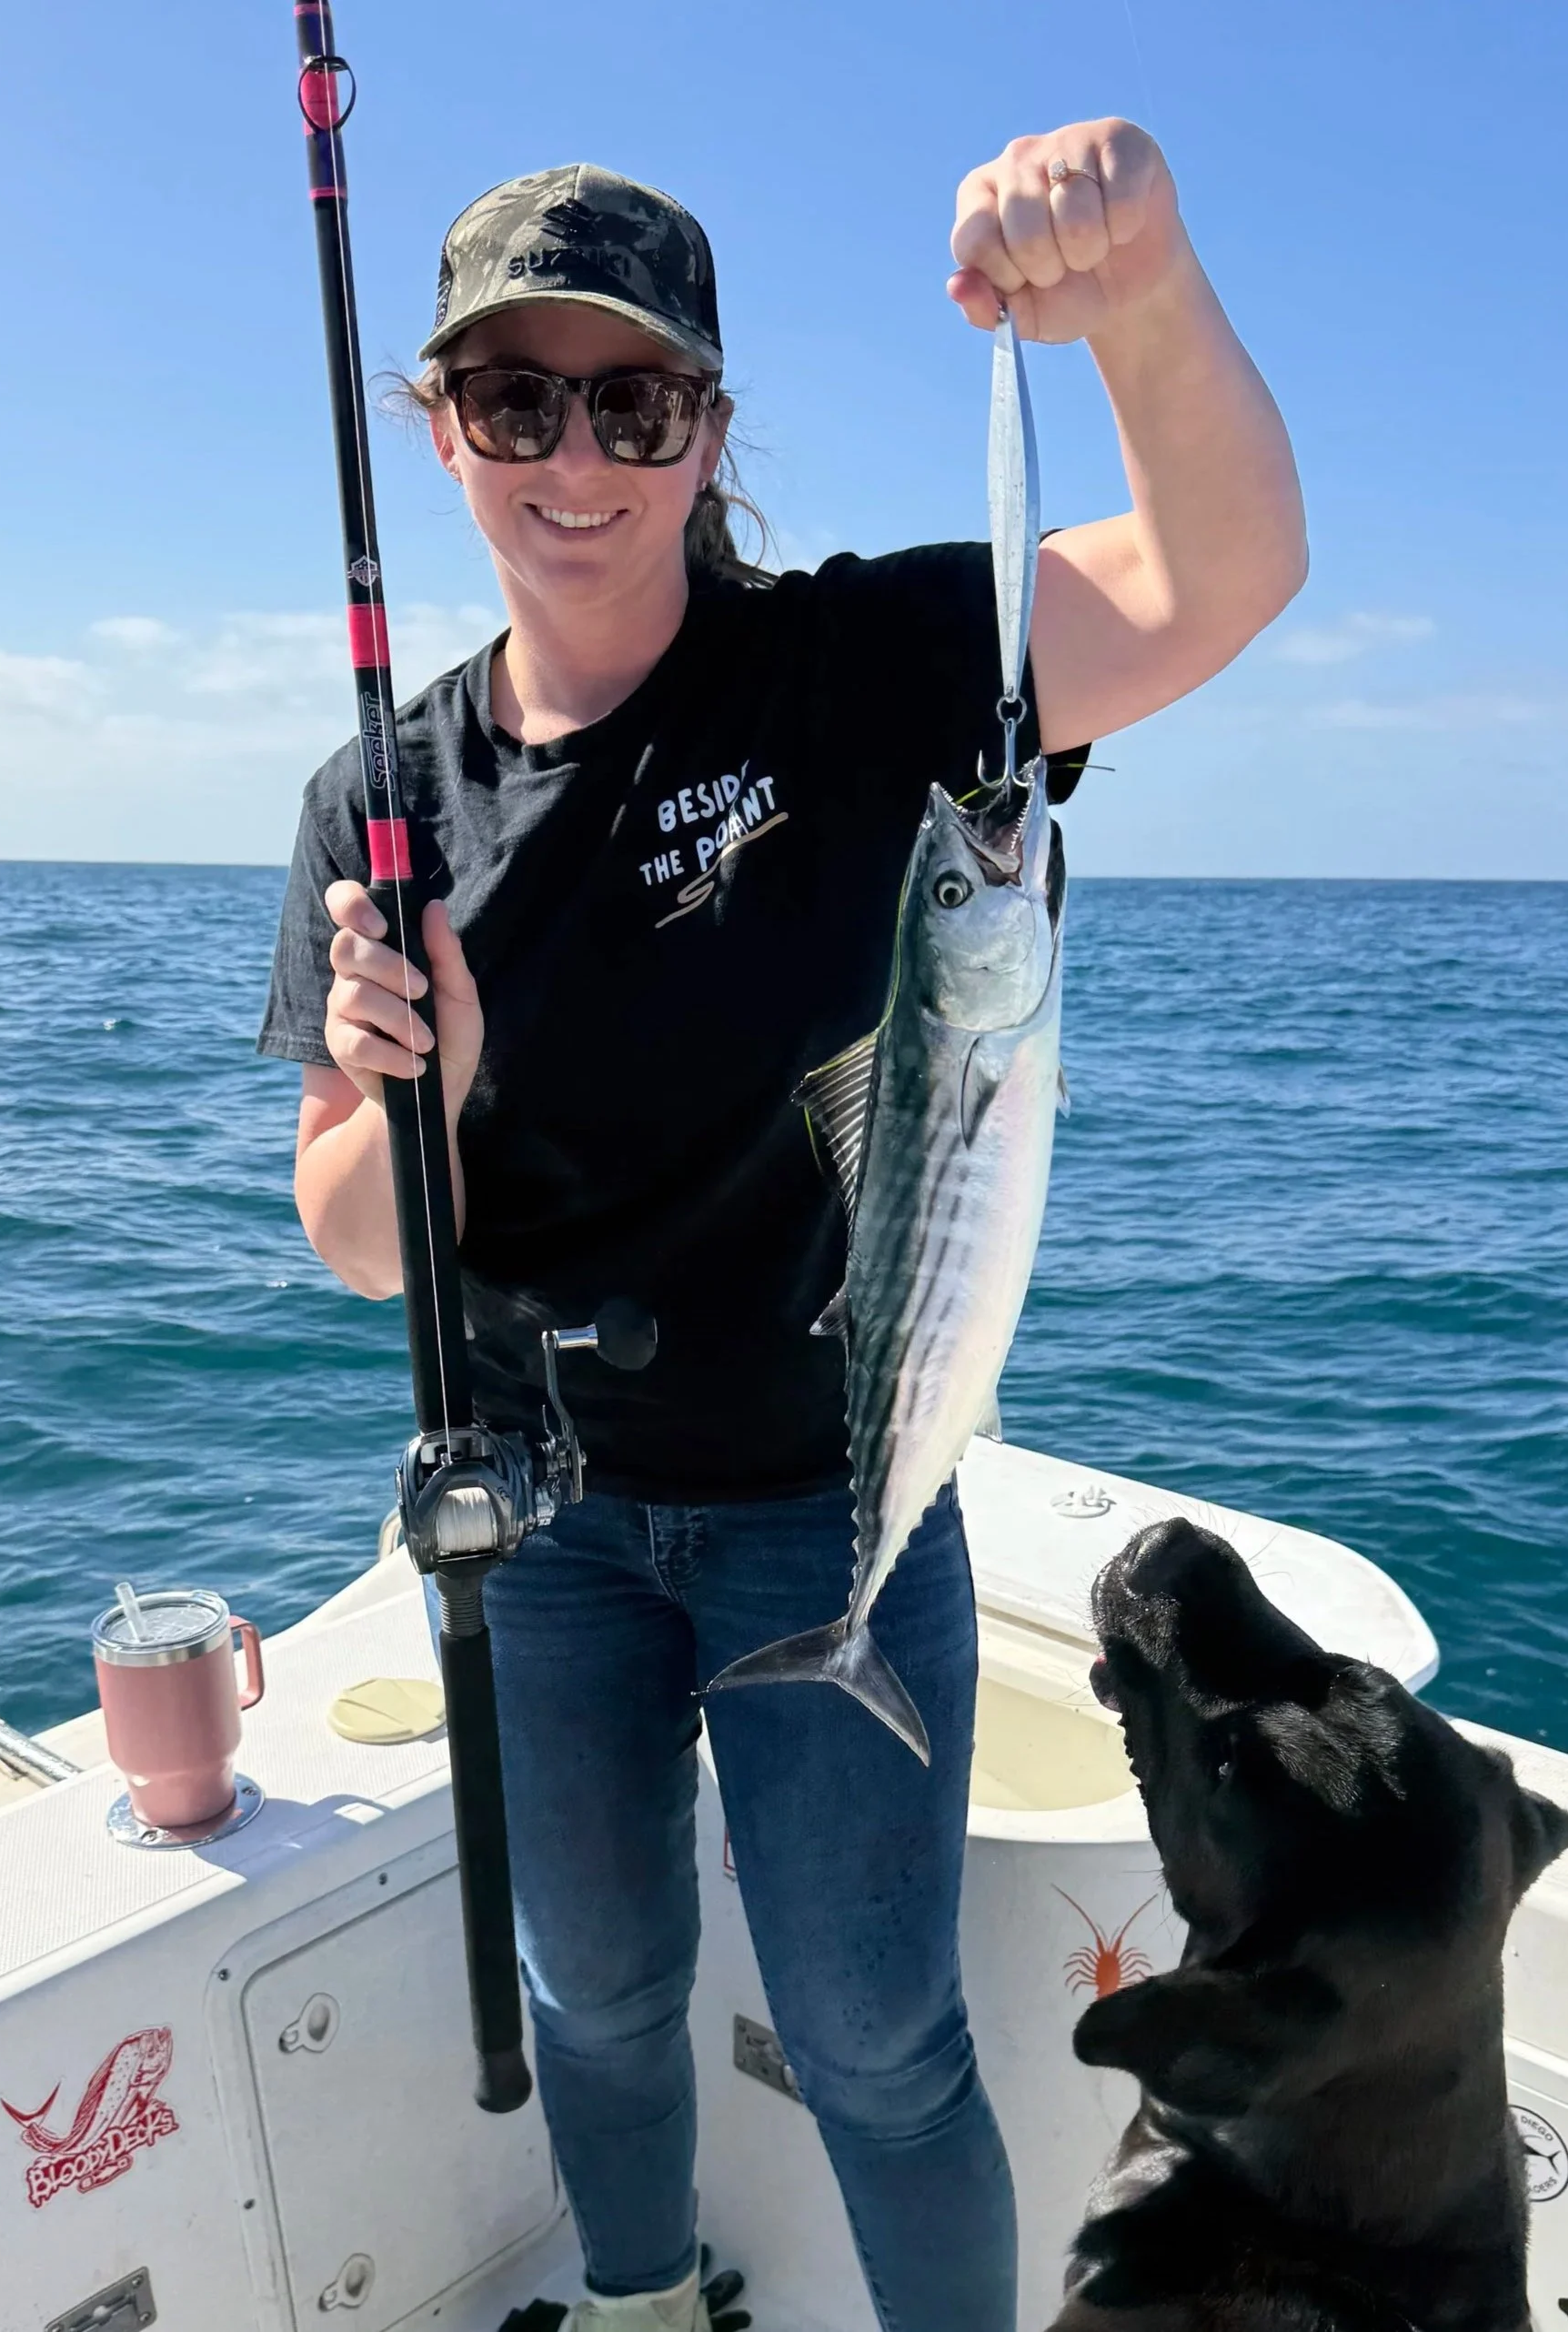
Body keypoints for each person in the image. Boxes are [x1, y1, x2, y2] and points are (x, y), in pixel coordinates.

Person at [259, 126, 1304, 2332]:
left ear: (707, 430)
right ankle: (641, 2299)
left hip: (824, 1495)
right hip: (535, 1524)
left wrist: (1134, 286)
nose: (574, 458)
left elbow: (1216, 575)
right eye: (514, 400)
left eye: (630, 402)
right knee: (596, 1989)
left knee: (876, 2044)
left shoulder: (861, 668)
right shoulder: (378, 802)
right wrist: (414, 1083)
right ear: (440, 431)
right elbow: (355, 1242)